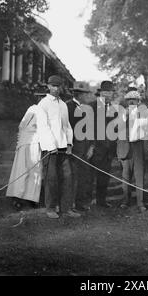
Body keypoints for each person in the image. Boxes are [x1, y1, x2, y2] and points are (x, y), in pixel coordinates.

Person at [6, 87, 55, 209]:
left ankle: (31, 197)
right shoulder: (33, 109)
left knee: (36, 171)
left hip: (38, 145)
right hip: (27, 143)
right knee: (22, 170)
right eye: (42, 97)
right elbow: (22, 125)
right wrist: (21, 142)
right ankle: (17, 197)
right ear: (39, 98)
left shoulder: (48, 112)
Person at [39, 75, 79, 219]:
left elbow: (67, 126)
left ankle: (66, 208)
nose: (56, 89)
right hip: (50, 149)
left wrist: (69, 144)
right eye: (53, 86)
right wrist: (51, 146)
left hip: (63, 148)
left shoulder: (63, 104)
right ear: (48, 86)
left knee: (67, 178)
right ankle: (50, 208)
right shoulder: (43, 104)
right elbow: (43, 127)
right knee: (51, 179)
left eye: (58, 86)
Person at [86, 80, 118, 208]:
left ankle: (101, 201)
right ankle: (85, 202)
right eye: (105, 92)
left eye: (109, 92)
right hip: (94, 148)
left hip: (108, 148)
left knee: (104, 176)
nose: (107, 94)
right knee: (89, 177)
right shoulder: (91, 107)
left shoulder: (114, 109)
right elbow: (87, 128)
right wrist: (91, 146)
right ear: (100, 93)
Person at [117, 90, 147, 212]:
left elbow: (144, 131)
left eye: (134, 100)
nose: (131, 102)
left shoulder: (143, 114)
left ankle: (140, 202)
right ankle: (125, 201)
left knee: (139, 176)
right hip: (125, 147)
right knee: (126, 176)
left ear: (138, 101)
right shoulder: (122, 114)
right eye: (129, 100)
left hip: (137, 147)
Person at [66, 81, 93, 212]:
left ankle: (80, 203)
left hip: (85, 148)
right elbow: (66, 128)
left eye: (86, 93)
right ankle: (70, 205)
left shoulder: (86, 108)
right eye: (83, 94)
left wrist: (91, 147)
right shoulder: (68, 107)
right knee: (73, 177)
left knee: (84, 176)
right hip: (73, 148)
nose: (85, 96)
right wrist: (68, 146)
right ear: (77, 94)